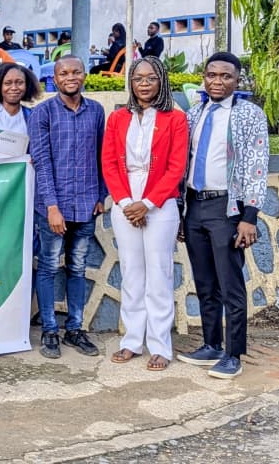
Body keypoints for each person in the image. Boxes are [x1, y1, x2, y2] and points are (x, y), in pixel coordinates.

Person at [176, 52, 269, 380]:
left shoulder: (249, 114)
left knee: (230, 285)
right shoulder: (194, 113)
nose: (217, 81)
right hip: (194, 205)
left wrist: (249, 216)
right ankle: (211, 345)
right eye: (211, 75)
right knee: (204, 282)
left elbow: (257, 164)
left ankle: (233, 354)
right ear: (204, 77)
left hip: (227, 208)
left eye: (225, 76)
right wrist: (181, 211)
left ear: (237, 80)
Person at [101, 56, 188, 371]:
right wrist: (126, 202)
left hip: (160, 204)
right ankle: (131, 340)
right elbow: (109, 162)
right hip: (124, 202)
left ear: (161, 81)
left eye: (151, 78)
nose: (144, 84)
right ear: (131, 82)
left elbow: (176, 167)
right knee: (131, 272)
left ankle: (160, 345)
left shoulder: (175, 119)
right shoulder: (117, 118)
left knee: (159, 275)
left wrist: (147, 203)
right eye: (138, 78)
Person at [29, 55, 107, 360]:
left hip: (86, 204)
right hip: (53, 206)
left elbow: (101, 155)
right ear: (55, 78)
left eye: (76, 72)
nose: (70, 77)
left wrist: (101, 194)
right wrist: (52, 207)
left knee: (77, 267)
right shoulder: (43, 112)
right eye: (64, 73)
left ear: (84, 75)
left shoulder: (96, 111)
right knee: (49, 266)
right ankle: (50, 330)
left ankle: (75, 329)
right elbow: (41, 162)